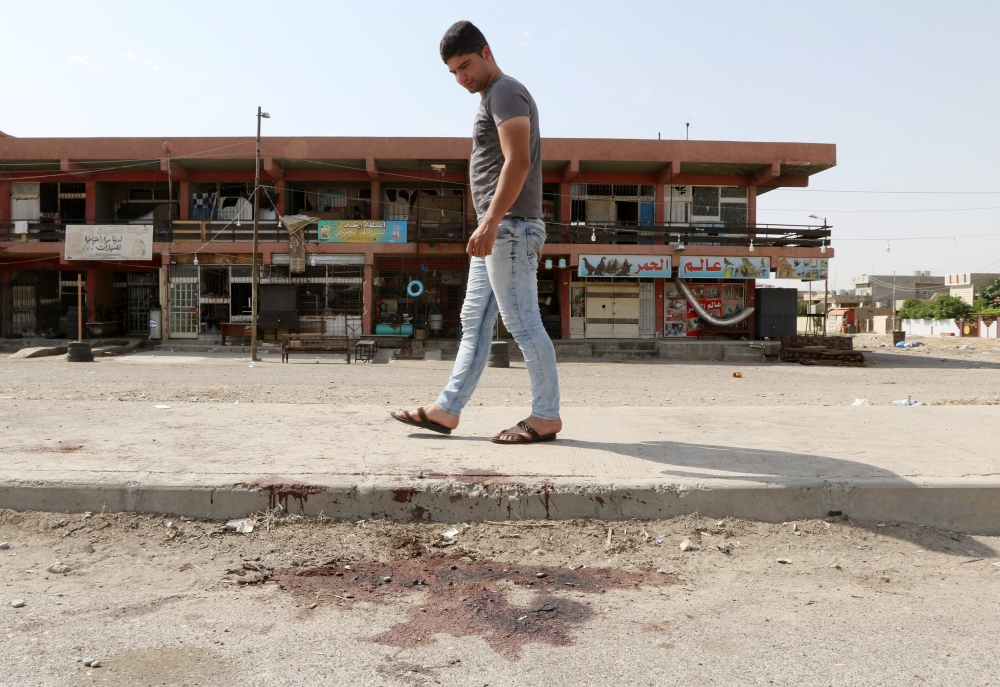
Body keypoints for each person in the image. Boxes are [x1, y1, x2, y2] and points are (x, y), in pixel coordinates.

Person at [392, 20, 561, 444]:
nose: (461, 78)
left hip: (509, 228)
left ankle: (546, 416)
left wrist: (489, 222)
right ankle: (447, 409)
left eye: (465, 66)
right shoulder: (490, 96)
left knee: (522, 323)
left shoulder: (504, 91)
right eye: (453, 72)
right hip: (500, 228)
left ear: (486, 51)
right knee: (474, 321)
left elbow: (517, 161)